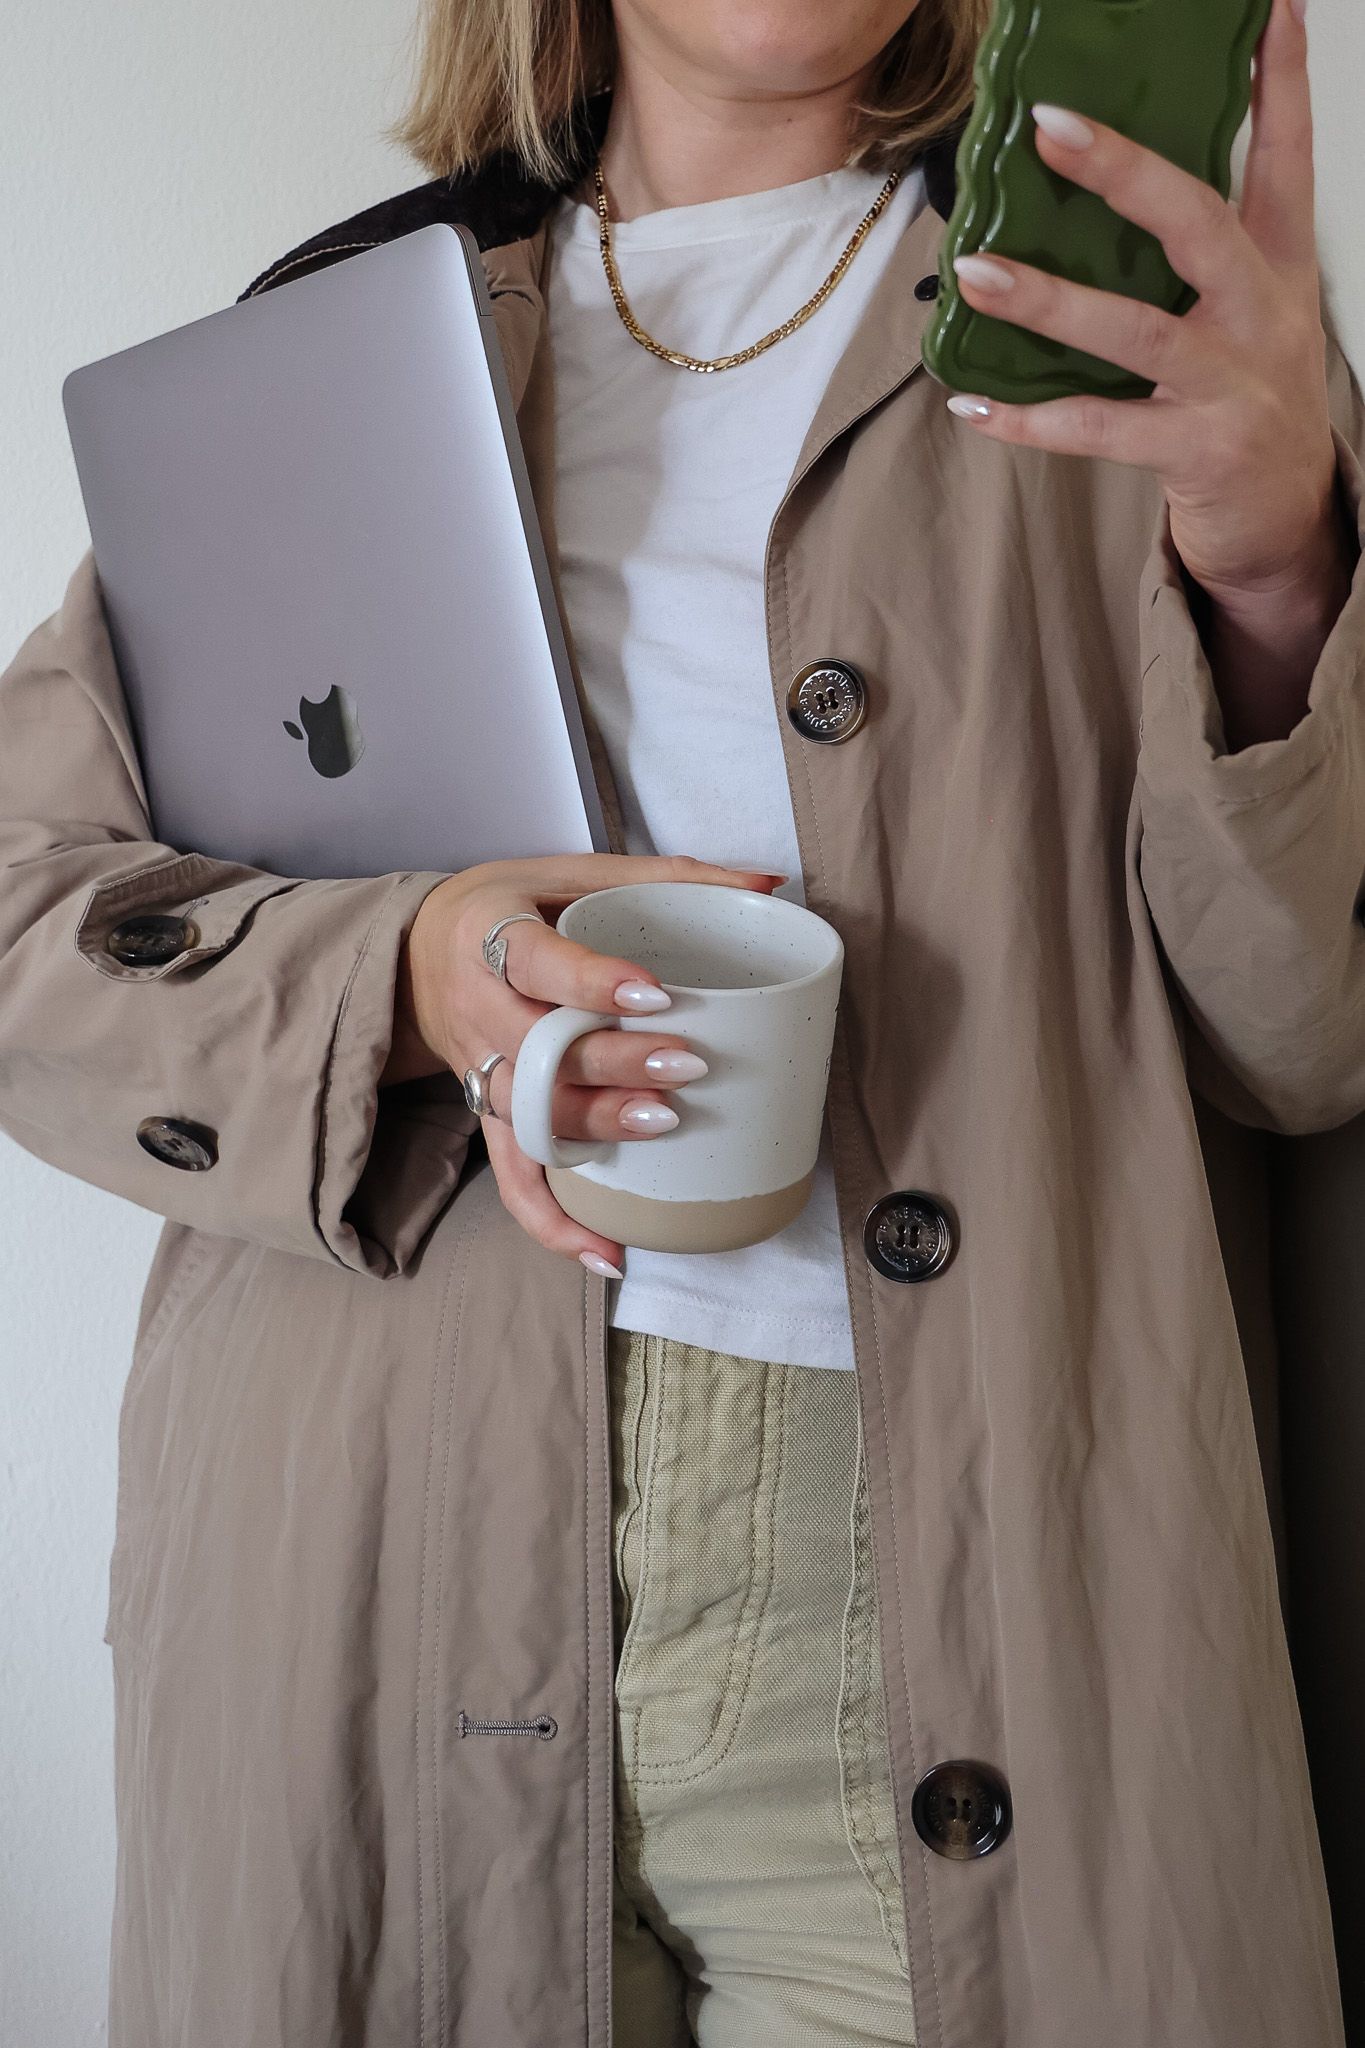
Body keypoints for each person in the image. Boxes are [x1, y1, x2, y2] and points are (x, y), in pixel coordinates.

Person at [0, 0, 1360, 2041]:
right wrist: (403, 972)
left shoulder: (1139, 337)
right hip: (371, 1564)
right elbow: (32, 919)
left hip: (982, 1567)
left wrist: (1275, 564)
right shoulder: (328, 349)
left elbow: (1300, 1034)